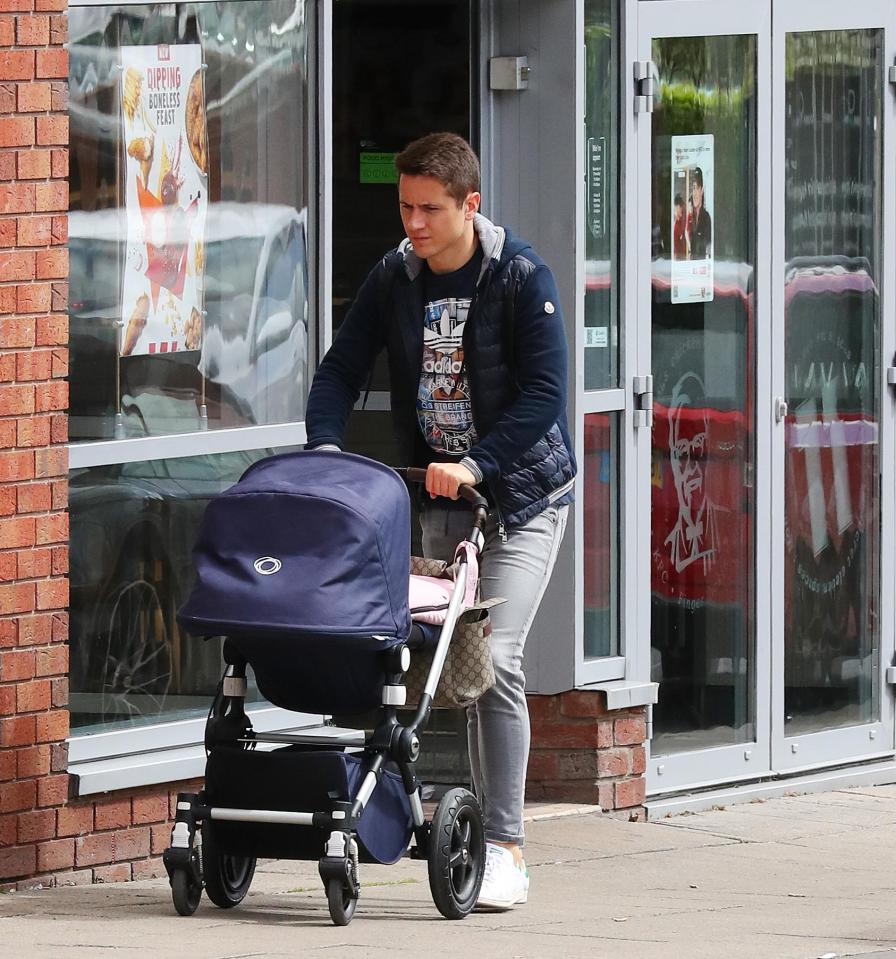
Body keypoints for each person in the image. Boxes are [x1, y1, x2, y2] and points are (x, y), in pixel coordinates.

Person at [305, 132, 576, 910]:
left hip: (520, 501)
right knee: (423, 664)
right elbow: (340, 370)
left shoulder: (521, 276)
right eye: (404, 206)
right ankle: (411, 819)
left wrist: (478, 461)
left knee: (497, 654)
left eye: (429, 209)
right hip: (439, 505)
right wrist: (325, 446)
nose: (413, 223)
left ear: (470, 206)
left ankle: (506, 846)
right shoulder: (395, 276)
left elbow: (545, 396)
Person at [688, 166, 712, 260]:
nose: (694, 193)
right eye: (693, 189)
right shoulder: (689, 217)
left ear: (702, 190)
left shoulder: (706, 218)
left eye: (696, 188)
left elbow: (708, 246)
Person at [672, 193, 688, 260]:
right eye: (680, 206)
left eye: (682, 206)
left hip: (682, 257)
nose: (682, 208)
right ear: (676, 206)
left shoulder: (682, 223)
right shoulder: (674, 224)